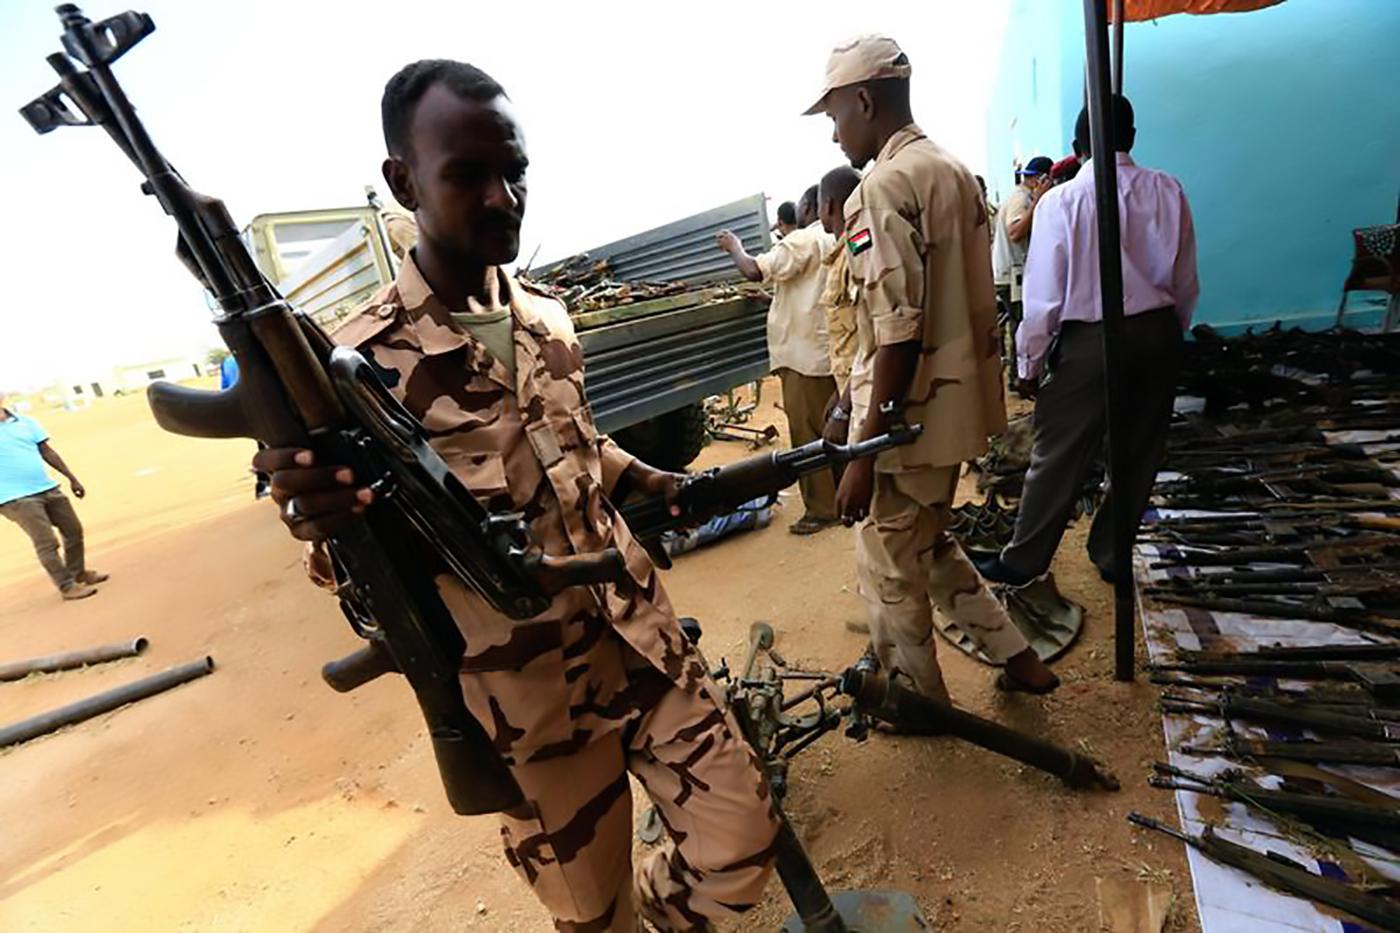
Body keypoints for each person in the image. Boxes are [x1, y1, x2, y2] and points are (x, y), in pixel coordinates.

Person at [251, 60, 777, 931]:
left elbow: (577, 446)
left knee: (742, 836)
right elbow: (350, 567)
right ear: (403, 181)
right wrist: (319, 515)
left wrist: (662, 485)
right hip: (529, 704)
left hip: (637, 638)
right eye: (467, 174)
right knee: (591, 915)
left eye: (516, 171)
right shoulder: (355, 368)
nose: (502, 196)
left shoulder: (547, 316)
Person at [807, 35, 1059, 699]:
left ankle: (918, 698)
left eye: (835, 116)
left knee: (890, 568)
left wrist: (863, 450)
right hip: (952, 413)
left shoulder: (880, 189)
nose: (835, 136)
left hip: (905, 425)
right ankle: (1019, 657)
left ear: (864, 100)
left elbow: (897, 331)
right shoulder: (950, 169)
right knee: (928, 544)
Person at [978, 95, 1198, 587]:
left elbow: (1042, 298)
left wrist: (1029, 364)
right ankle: (1112, 552)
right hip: (1158, 331)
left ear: (1077, 149)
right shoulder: (1168, 190)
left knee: (1058, 453)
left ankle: (1023, 560)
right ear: (1133, 138)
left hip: (1091, 340)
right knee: (1139, 450)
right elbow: (1185, 280)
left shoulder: (1062, 200)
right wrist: (1171, 332)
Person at [717, 186, 839, 535]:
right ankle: (840, 497)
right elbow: (806, 288)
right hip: (824, 353)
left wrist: (734, 247)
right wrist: (770, 298)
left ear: (809, 207)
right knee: (833, 428)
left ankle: (821, 509)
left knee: (808, 437)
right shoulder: (831, 239)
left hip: (802, 358)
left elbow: (754, 270)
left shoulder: (801, 240)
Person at [0, 392, 107, 600]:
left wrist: (72, 478)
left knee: (73, 531)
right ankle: (67, 586)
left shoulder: (25, 422)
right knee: (47, 542)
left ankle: (78, 573)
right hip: (15, 498)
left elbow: (47, 452)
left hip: (47, 488)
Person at [991, 155, 1052, 362]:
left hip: (1009, 273)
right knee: (1021, 325)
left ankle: (1018, 375)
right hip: (1012, 275)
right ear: (1040, 180)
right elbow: (1015, 231)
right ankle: (1019, 377)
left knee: (1018, 325)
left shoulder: (1020, 197)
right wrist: (1036, 204)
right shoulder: (1022, 199)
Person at [816, 166, 863, 393]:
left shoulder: (857, 249)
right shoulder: (842, 252)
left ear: (828, 205)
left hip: (863, 390)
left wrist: (844, 407)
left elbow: (872, 334)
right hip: (851, 386)